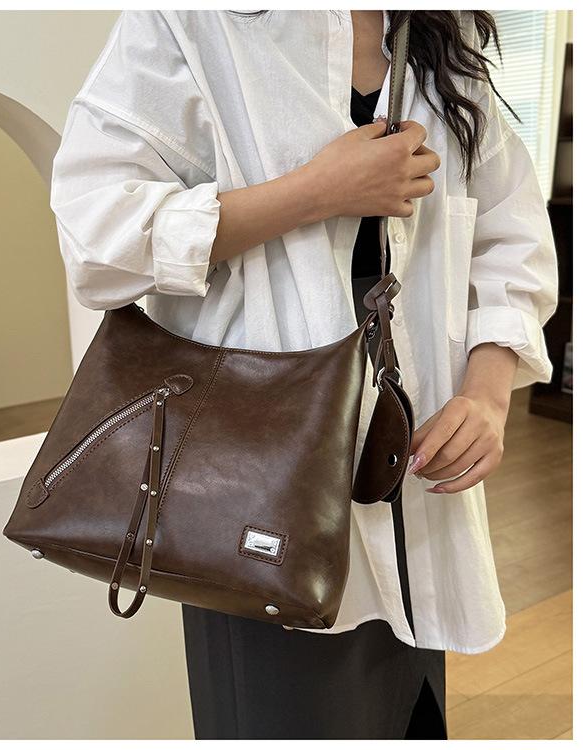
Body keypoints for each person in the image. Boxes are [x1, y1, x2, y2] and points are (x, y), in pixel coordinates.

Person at [48, 10, 558, 739]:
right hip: (252, 475)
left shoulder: (439, 30)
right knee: (286, 708)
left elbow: (509, 234)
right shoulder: (189, 21)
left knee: (406, 708)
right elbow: (100, 237)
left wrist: (487, 392)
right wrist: (316, 191)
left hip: (414, 466)